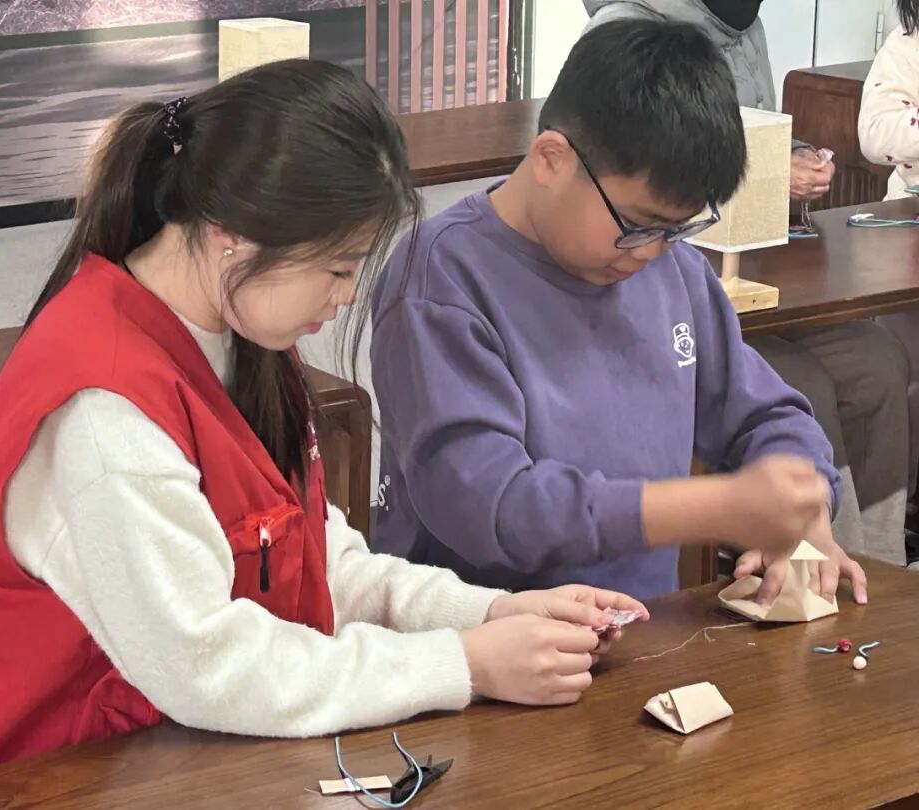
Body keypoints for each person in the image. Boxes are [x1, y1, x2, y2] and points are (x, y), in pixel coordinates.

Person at [0, 60, 649, 783]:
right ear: (231, 233)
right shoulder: (103, 411)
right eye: (338, 266)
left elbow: (318, 564)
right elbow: (209, 666)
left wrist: (491, 613)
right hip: (57, 778)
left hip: (188, 755)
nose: (347, 296)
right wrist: (462, 664)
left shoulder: (241, 336)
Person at [369, 19, 867, 605]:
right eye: (637, 223)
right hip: (481, 637)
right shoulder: (440, 279)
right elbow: (491, 507)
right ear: (552, 158)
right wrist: (715, 507)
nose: (652, 251)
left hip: (641, 630)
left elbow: (765, 415)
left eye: (676, 229)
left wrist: (806, 512)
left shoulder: (673, 269)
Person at [580, 0, 912, 566]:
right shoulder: (624, 29)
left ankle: (876, 564)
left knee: (876, 360)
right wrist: (765, 174)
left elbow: (753, 131)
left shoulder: (744, 23)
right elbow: (643, 173)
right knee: (802, 384)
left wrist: (795, 156)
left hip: (755, 265)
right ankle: (809, 565)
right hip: (668, 273)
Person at [858, 0, 919, 567]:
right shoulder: (906, 45)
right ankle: (895, 521)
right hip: (909, 230)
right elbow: (875, 134)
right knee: (899, 372)